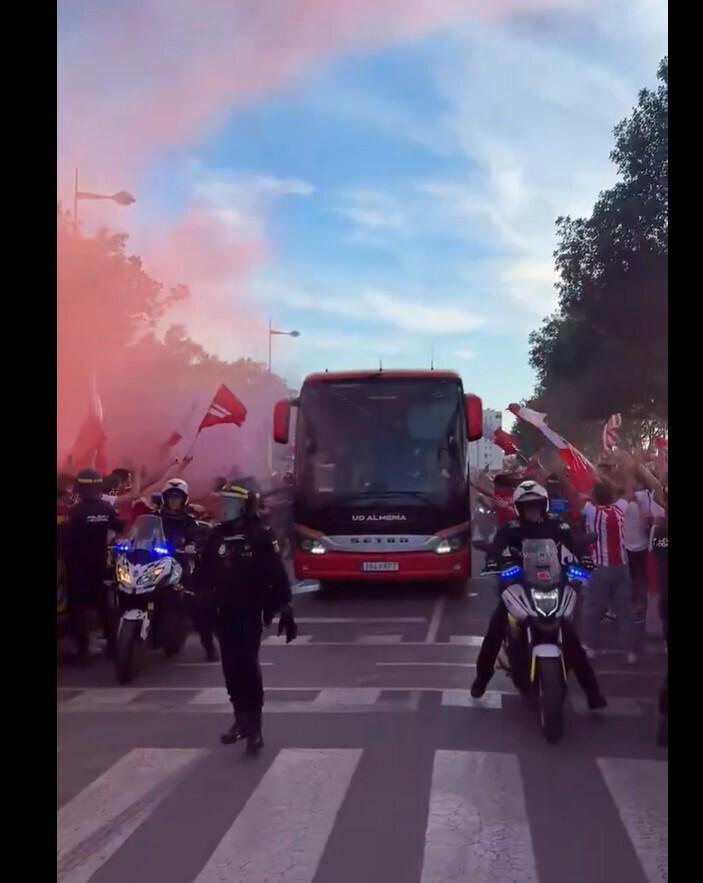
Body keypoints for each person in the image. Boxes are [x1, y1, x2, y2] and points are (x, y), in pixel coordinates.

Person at [471, 480, 606, 710]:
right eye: (527, 506)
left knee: (570, 635)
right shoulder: (511, 527)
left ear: (544, 506)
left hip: (552, 581)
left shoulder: (556, 524)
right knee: (496, 627)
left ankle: (593, 693)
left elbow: (575, 541)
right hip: (518, 581)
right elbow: (496, 545)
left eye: (536, 505)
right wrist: (493, 558)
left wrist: (583, 556)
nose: (532, 510)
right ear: (519, 508)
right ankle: (481, 679)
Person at [199, 483, 297, 753]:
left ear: (244, 507)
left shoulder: (260, 535)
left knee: (247, 667)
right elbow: (204, 574)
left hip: (249, 612)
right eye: (223, 503)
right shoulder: (216, 535)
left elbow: (276, 574)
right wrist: (201, 602)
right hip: (223, 614)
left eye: (231, 504)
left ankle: (255, 727)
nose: (225, 510)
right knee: (230, 668)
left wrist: (285, 608)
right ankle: (239, 718)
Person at [580, 462, 639, 664]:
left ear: (595, 496)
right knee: (625, 611)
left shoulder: (591, 512)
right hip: (622, 568)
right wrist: (632, 466)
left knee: (593, 609)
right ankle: (631, 652)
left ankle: (592, 647)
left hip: (600, 569)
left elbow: (572, 493)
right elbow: (630, 490)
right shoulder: (620, 509)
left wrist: (563, 477)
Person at [64, 468, 124, 663]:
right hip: (100, 564)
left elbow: (66, 538)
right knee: (103, 607)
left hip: (76, 566)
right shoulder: (106, 509)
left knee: (76, 607)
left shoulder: (74, 512)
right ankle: (113, 647)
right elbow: (120, 527)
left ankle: (83, 648)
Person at [158, 478, 219, 662]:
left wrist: (193, 545)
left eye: (177, 497)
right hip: (157, 565)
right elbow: (140, 532)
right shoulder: (156, 517)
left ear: (184, 499)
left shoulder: (189, 520)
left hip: (182, 565)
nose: (174, 501)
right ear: (165, 498)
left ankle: (209, 646)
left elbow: (197, 536)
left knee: (196, 605)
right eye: (171, 497)